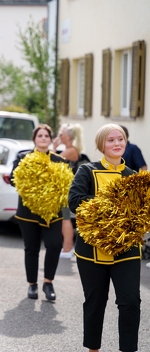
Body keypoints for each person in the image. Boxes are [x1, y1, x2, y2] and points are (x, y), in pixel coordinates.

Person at [69, 124, 140, 352]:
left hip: (126, 249)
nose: (117, 144)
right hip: (91, 249)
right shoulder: (87, 170)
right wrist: (110, 202)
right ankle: (93, 349)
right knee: (95, 303)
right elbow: (74, 201)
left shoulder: (133, 177)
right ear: (101, 145)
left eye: (120, 139)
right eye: (111, 140)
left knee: (130, 303)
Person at [10, 124, 65, 301]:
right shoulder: (22, 157)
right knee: (31, 249)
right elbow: (14, 180)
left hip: (52, 212)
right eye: (39, 136)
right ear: (34, 139)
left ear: (50, 139)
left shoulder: (59, 160)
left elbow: (66, 185)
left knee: (55, 245)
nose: (43, 138)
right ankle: (32, 284)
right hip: (28, 212)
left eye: (46, 136)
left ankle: (48, 282)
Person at [52, 123, 84, 258]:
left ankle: (67, 248)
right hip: (67, 189)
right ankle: (67, 248)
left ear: (69, 137)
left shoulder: (70, 151)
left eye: (62, 134)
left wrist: (54, 147)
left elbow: (52, 162)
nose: (59, 137)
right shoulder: (71, 149)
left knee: (66, 219)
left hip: (68, 191)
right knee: (65, 219)